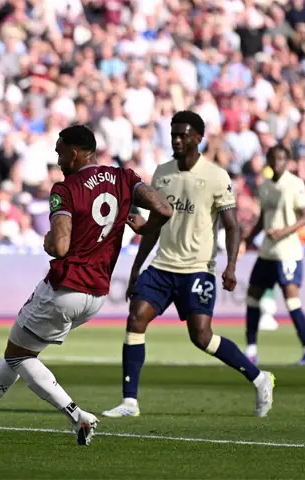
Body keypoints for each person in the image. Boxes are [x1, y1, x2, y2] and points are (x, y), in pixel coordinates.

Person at [0, 125, 174, 445]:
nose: (57, 160)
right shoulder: (124, 177)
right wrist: (141, 226)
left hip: (65, 287)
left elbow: (59, 246)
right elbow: (163, 209)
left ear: (74, 152)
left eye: (59, 152)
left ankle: (77, 416)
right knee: (21, 351)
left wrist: (47, 240)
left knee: (17, 355)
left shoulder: (66, 189)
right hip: (96, 293)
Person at [102, 111, 276, 420]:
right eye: (173, 135)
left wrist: (231, 265)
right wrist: (135, 269)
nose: (177, 140)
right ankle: (130, 402)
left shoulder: (216, 176)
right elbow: (154, 226)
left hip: (197, 268)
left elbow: (232, 226)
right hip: (162, 265)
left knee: (201, 337)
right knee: (135, 320)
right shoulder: (163, 173)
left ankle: (259, 378)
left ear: (198, 138)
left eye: (183, 135)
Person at [244, 145, 305, 366]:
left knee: (291, 300)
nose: (278, 162)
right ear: (268, 160)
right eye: (274, 158)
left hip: (288, 253)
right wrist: (246, 239)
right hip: (267, 252)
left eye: (282, 158)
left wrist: (283, 232)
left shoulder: (294, 184)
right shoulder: (264, 186)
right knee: (252, 297)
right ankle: (251, 349)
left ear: (288, 161)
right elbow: (264, 218)